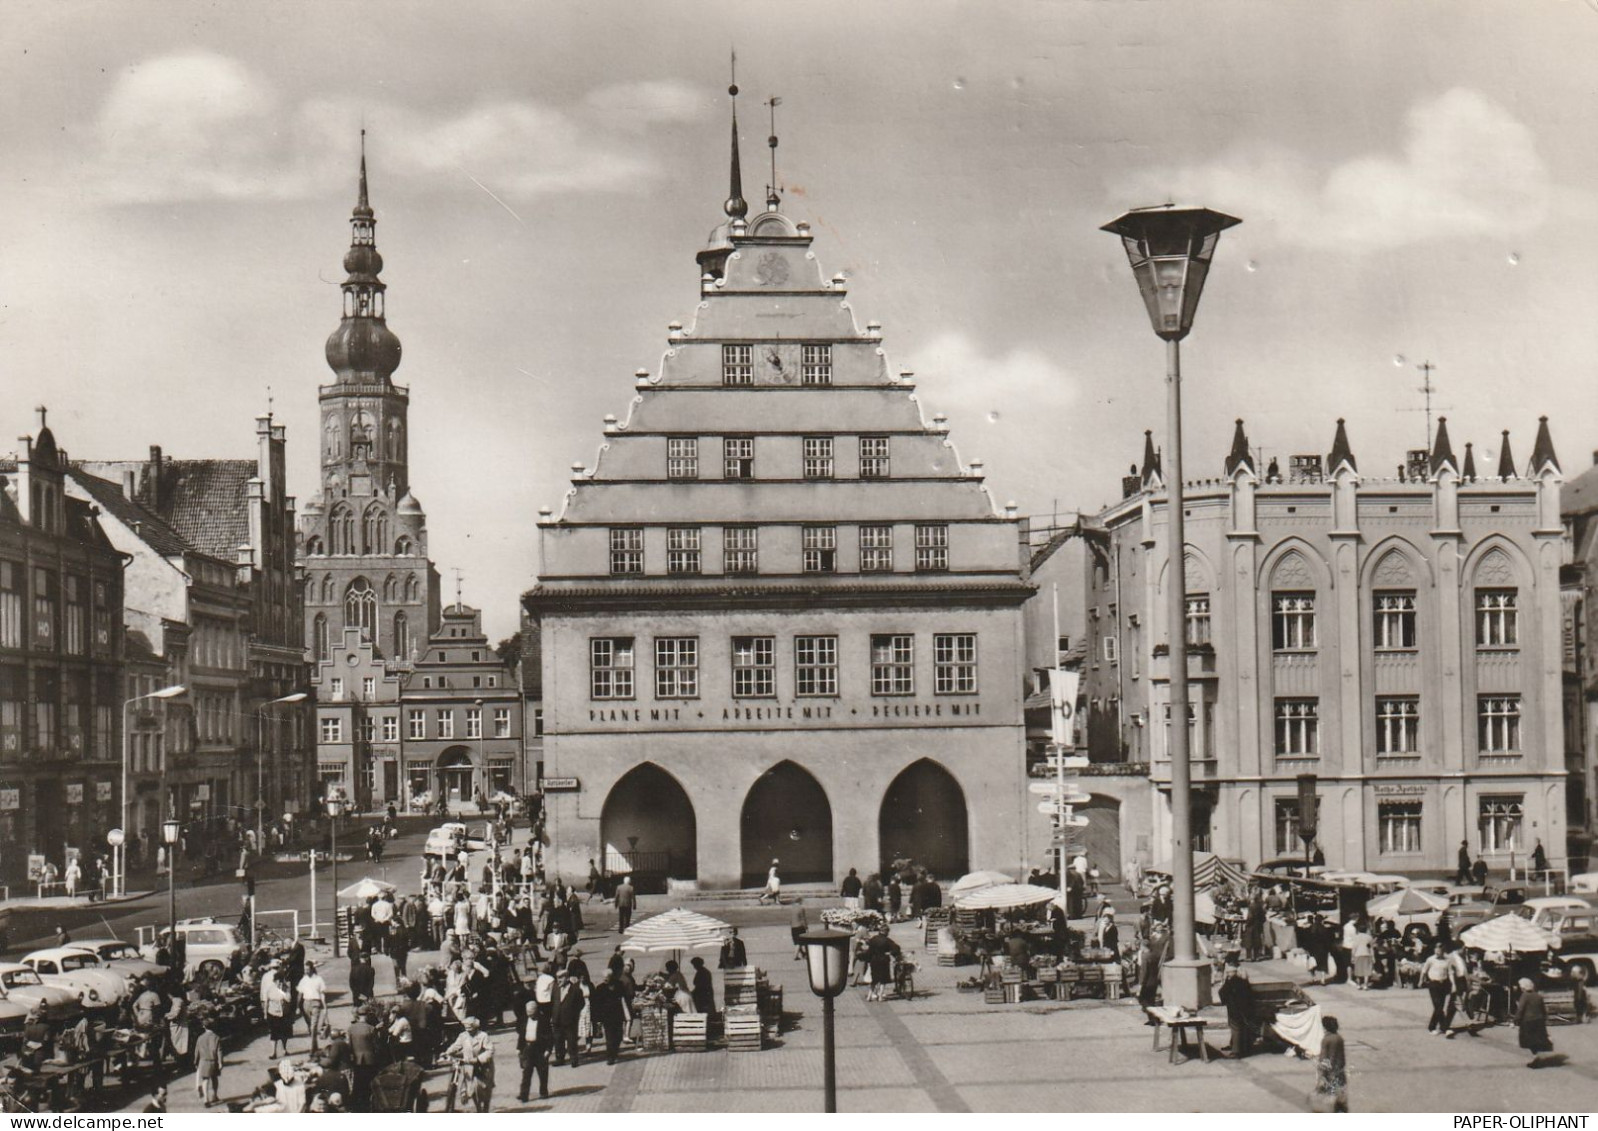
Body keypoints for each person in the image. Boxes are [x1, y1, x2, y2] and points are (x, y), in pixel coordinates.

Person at [442, 1016, 495, 1113]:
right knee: (472, 1089)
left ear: (475, 1028)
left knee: (484, 1090)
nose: (469, 1031)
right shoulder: (463, 1036)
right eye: (467, 1029)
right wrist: (447, 1052)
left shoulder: (483, 1036)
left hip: (482, 1067)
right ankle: (479, 1108)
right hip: (469, 1067)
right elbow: (456, 1046)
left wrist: (478, 1059)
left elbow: (490, 1050)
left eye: (471, 1030)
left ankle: (485, 1109)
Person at [1420, 943, 1460, 1035]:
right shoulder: (1430, 959)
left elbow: (1450, 972)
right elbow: (1424, 970)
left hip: (1443, 984)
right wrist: (1421, 980)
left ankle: (1432, 1027)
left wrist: (1453, 984)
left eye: (1440, 950)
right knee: (1438, 1006)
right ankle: (1445, 1028)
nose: (1437, 952)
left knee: (1439, 1007)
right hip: (1433, 984)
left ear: (1443, 951)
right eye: (1436, 950)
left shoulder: (1448, 960)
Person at [590, 970, 629, 1065]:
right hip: (606, 1016)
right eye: (603, 977)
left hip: (618, 1015)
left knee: (618, 1035)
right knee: (609, 1037)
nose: (605, 979)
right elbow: (596, 1004)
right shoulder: (600, 988)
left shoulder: (619, 985)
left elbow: (625, 997)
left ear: (611, 977)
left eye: (607, 977)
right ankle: (610, 1057)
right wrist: (598, 1019)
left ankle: (615, 1052)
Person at [516, 996, 551, 1102]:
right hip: (528, 1048)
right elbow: (521, 1034)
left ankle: (543, 1092)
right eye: (528, 1012)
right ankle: (524, 1095)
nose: (529, 1015)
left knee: (542, 1072)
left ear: (536, 1011)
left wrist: (548, 1050)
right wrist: (519, 1048)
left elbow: (550, 1036)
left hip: (540, 1049)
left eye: (531, 1013)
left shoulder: (543, 1020)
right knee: (526, 1072)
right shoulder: (524, 1019)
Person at [1514, 977, 1554, 1068]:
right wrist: (1544, 1019)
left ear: (1523, 988)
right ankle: (1538, 1058)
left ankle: (1537, 1059)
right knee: (1538, 1041)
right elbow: (1543, 1010)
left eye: (1521, 986)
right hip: (1539, 1021)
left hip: (1528, 1022)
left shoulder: (1524, 996)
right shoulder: (1538, 996)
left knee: (1530, 1042)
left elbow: (1520, 1009)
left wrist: (1516, 1020)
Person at [1311, 1015, 1349, 1112]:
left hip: (1329, 1073)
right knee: (1339, 1095)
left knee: (1327, 1096)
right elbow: (1342, 1057)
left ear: (1325, 1027)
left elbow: (1324, 1059)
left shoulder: (1326, 1040)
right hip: (1339, 1072)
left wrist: (1322, 1075)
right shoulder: (1339, 1038)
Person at [552, 973, 586, 1067]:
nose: (558, 980)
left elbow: (581, 1003)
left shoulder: (575, 990)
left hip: (570, 1020)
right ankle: (560, 1059)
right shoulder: (556, 988)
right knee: (558, 1040)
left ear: (567, 978)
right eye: (557, 978)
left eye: (560, 978)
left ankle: (574, 1059)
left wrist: (573, 1014)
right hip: (557, 1020)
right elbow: (552, 1001)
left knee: (571, 1041)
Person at [194, 1018, 224, 1106]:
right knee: (214, 1079)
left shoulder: (200, 1038)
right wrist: (220, 1062)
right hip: (213, 1061)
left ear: (204, 1026)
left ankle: (206, 1099)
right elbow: (219, 1051)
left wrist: (196, 1062)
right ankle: (214, 1096)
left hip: (203, 1061)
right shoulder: (216, 1037)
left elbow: (197, 1051)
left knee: (205, 1080)